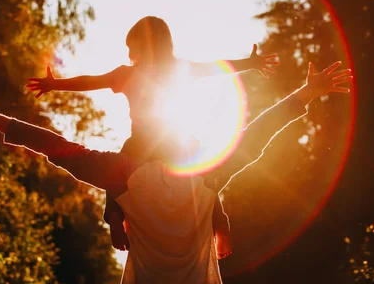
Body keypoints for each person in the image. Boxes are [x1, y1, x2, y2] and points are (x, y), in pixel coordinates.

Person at [0, 60, 353, 284]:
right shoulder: (206, 174)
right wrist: (305, 93)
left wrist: (1, 121)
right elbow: (258, 131)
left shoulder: (124, 176)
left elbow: (60, 149)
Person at [26, 15, 279, 258]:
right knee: (148, 167)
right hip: (161, 143)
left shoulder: (163, 70)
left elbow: (217, 68)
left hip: (162, 142)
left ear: (147, 44)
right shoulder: (149, 71)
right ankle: (118, 217)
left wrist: (249, 63)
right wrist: (56, 84)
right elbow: (90, 81)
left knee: (145, 167)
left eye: (130, 47)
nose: (128, 54)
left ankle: (211, 217)